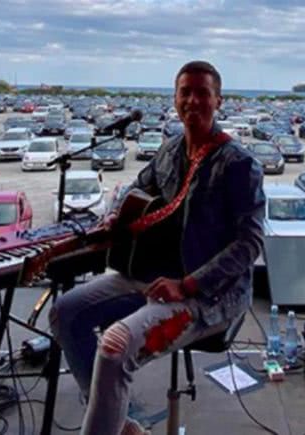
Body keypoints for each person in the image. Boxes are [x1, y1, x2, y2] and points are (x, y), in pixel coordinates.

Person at [49, 60, 266, 435]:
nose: (193, 100)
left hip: (207, 296)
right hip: (153, 276)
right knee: (65, 312)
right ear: (175, 99)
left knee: (116, 345)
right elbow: (137, 189)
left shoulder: (239, 164)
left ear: (218, 101)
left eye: (202, 93)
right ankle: (119, 424)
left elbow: (249, 245)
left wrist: (187, 285)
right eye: (186, 92)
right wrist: (115, 217)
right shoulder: (169, 150)